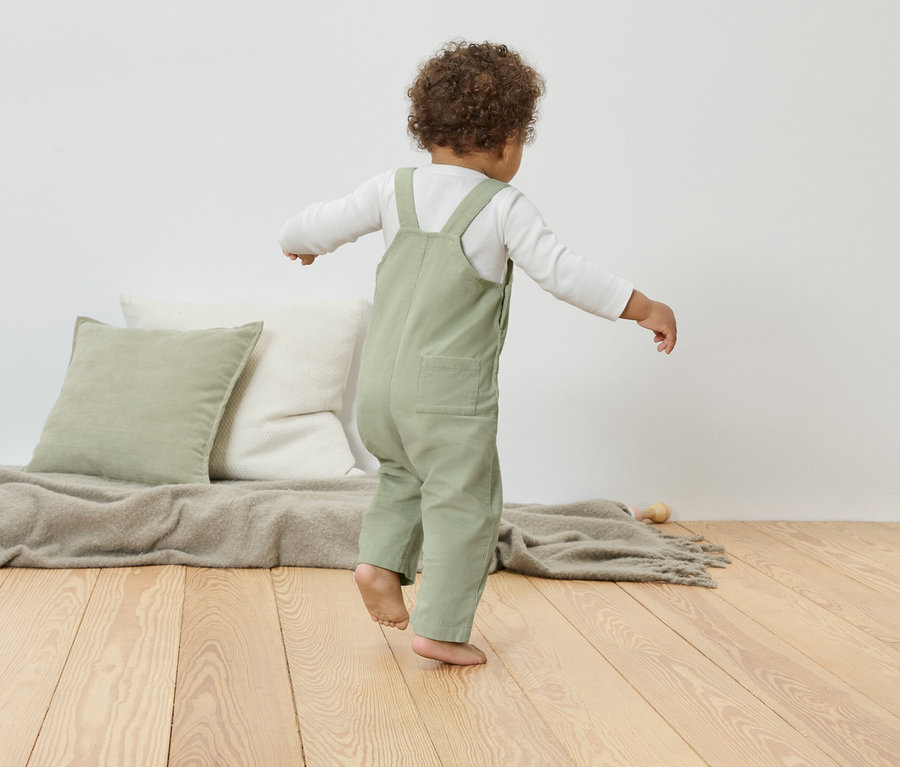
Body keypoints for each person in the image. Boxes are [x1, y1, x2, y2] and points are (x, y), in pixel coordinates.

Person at [280, 41, 676, 666]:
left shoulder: (392, 187)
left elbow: (314, 226)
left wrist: (299, 243)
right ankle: (440, 627)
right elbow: (564, 273)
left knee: (401, 478)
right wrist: (643, 305)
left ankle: (378, 565)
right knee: (465, 506)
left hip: (381, 389)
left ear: (426, 128)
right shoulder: (502, 207)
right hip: (447, 398)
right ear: (511, 140)